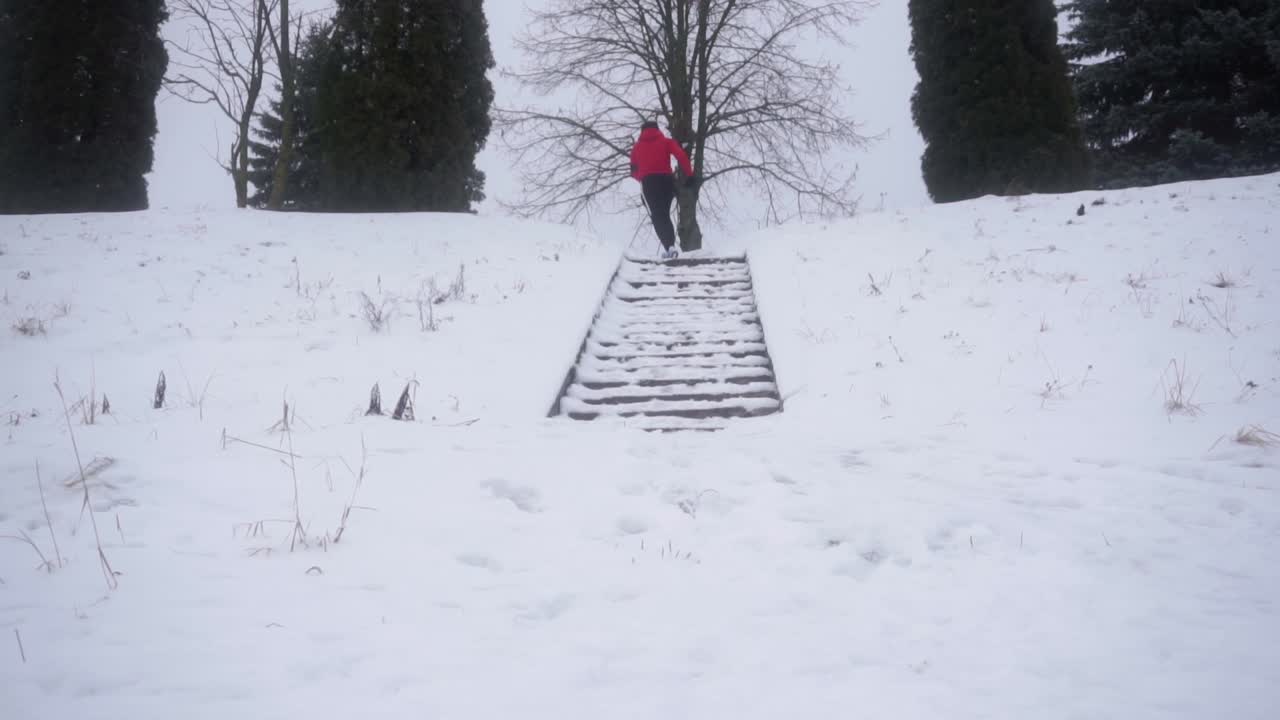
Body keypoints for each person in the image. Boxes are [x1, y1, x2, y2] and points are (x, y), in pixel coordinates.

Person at [629, 121, 698, 259]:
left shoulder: (636, 148)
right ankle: (670, 247)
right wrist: (689, 174)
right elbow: (681, 155)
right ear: (657, 129)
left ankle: (669, 246)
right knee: (664, 214)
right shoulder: (666, 142)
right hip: (667, 181)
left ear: (642, 131)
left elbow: (633, 171)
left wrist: (642, 177)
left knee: (657, 216)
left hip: (649, 183)